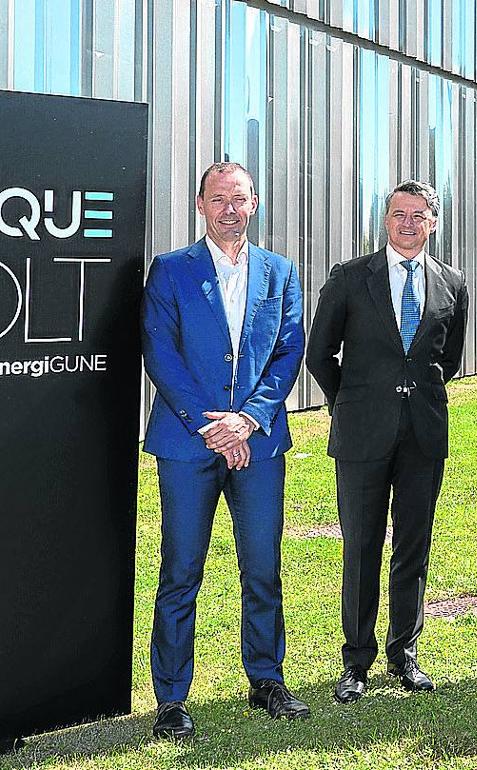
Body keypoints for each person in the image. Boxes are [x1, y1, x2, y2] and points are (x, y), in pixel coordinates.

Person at [141, 162, 308, 739]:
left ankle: (266, 679)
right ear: (200, 204)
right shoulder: (171, 271)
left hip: (259, 445)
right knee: (181, 571)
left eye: (239, 198)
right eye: (218, 199)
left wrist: (249, 420)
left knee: (262, 568)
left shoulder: (281, 272)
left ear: (255, 203)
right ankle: (170, 698)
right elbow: (161, 354)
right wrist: (213, 427)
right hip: (188, 446)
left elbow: (288, 352)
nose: (229, 208)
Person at [307, 181, 468, 702]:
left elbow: (451, 358)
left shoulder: (452, 284)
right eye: (398, 214)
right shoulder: (351, 277)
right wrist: (350, 402)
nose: (407, 223)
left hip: (423, 434)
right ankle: (356, 661)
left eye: (418, 215)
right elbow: (320, 353)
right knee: (361, 545)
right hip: (361, 434)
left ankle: (405, 652)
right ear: (385, 220)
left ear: (433, 223)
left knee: (413, 545)